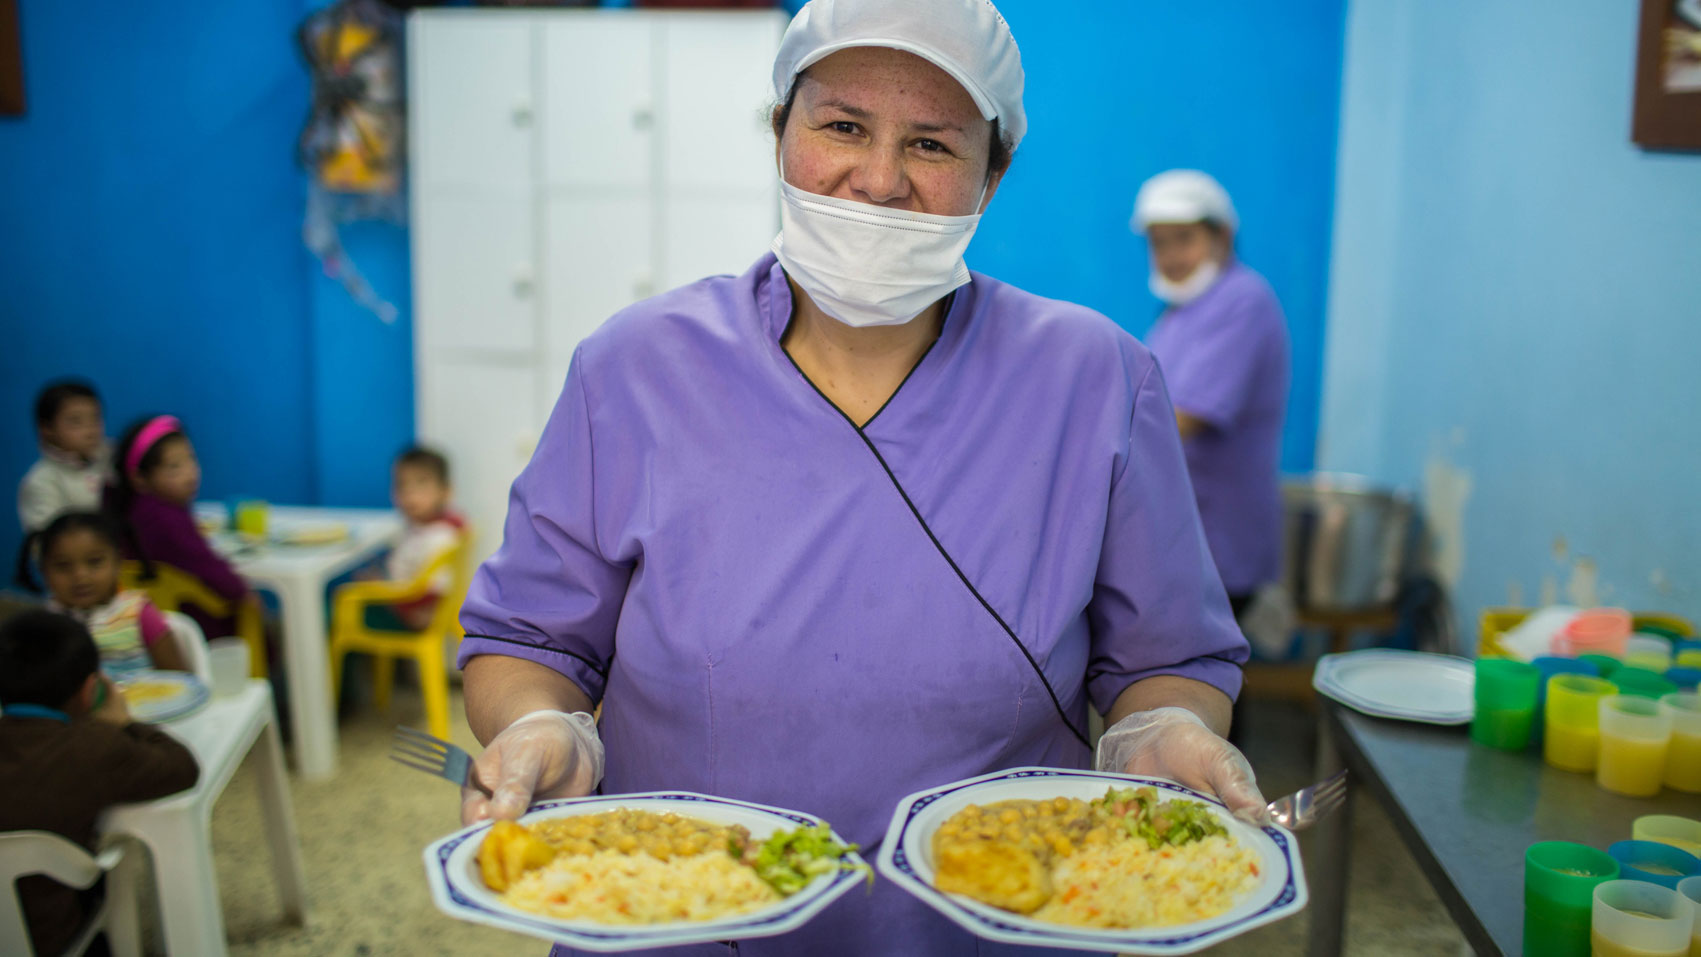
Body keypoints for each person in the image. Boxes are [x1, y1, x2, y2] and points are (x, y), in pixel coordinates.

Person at [457, 2, 1259, 953]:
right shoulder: (635, 368)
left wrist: (1161, 730)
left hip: (992, 920)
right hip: (674, 917)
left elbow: (1167, 659)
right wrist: (542, 726)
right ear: (779, 132)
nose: (878, 182)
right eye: (842, 126)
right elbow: (528, 643)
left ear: (991, 173)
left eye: (931, 143)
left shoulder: (1097, 380)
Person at [1132, 170, 1292, 655]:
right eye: (1159, 244)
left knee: (1205, 675)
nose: (1171, 257)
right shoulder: (1180, 311)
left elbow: (1185, 417)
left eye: (1184, 240)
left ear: (1222, 235)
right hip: (1187, 532)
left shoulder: (1243, 300)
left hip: (1219, 538)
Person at [0, 609, 200, 956]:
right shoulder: (95, 747)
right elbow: (182, 767)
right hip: (53, 938)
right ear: (90, 689)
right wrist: (122, 722)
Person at [106, 415, 253, 641]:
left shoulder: (130, 510)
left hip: (148, 627)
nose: (190, 473)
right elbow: (223, 581)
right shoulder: (167, 519)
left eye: (191, 460)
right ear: (139, 478)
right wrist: (245, 593)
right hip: (198, 628)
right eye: (174, 467)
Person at [16, 511, 188, 677]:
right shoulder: (43, 626)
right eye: (63, 566)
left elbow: (182, 681)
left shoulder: (139, 614)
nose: (80, 576)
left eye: (95, 562)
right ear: (43, 570)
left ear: (117, 562)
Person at [378, 445, 465, 631]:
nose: (410, 494)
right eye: (401, 485)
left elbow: (433, 593)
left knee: (342, 608)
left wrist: (382, 592)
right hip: (403, 599)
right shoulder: (428, 526)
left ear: (445, 491)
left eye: (421, 484)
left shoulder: (439, 537)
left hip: (410, 613)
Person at [18, 379, 109, 535]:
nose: (91, 430)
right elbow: (47, 543)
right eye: (76, 421)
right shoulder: (42, 481)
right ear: (47, 429)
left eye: (95, 418)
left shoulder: (110, 457)